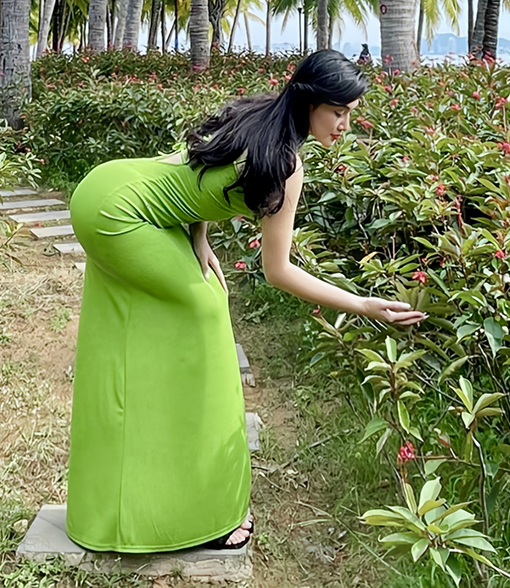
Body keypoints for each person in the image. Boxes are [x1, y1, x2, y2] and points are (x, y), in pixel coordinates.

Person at [65, 49, 425, 554]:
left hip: (109, 184)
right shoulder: (286, 164)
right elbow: (278, 271)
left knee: (184, 317)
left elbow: (194, 168)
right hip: (118, 214)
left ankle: (146, 492)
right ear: (311, 102)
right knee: (208, 316)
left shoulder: (258, 113)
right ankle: (203, 510)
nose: (346, 124)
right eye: (338, 111)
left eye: (350, 112)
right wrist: (362, 304)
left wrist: (199, 234)